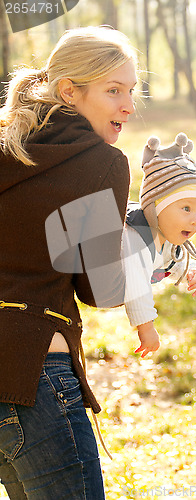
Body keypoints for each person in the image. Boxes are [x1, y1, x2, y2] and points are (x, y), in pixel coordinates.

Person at [0, 26, 138, 499]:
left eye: (132, 91)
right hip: (33, 375)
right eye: (113, 90)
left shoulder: (7, 147)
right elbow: (100, 289)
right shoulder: (100, 163)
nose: (128, 106)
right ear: (68, 91)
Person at [123, 133, 196, 358]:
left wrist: (192, 272)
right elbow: (136, 285)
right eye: (186, 208)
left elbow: (176, 258)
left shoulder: (166, 235)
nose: (195, 220)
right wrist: (146, 327)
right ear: (155, 206)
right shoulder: (136, 237)